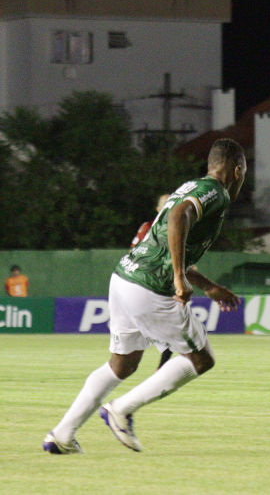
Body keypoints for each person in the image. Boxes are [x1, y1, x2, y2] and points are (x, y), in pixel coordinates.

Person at [43, 138, 247, 454]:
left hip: (125, 278)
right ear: (236, 170)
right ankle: (120, 410)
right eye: (243, 174)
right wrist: (179, 277)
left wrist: (206, 284)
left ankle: (61, 435)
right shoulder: (216, 192)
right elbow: (179, 216)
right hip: (151, 287)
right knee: (200, 359)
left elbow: (166, 240)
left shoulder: (190, 185)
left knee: (121, 366)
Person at [131, 193, 174, 370]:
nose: (168, 207)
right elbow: (133, 252)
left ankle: (161, 371)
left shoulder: (179, 227)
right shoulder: (148, 227)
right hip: (144, 285)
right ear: (158, 209)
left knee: (171, 334)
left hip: (165, 286)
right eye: (165, 204)